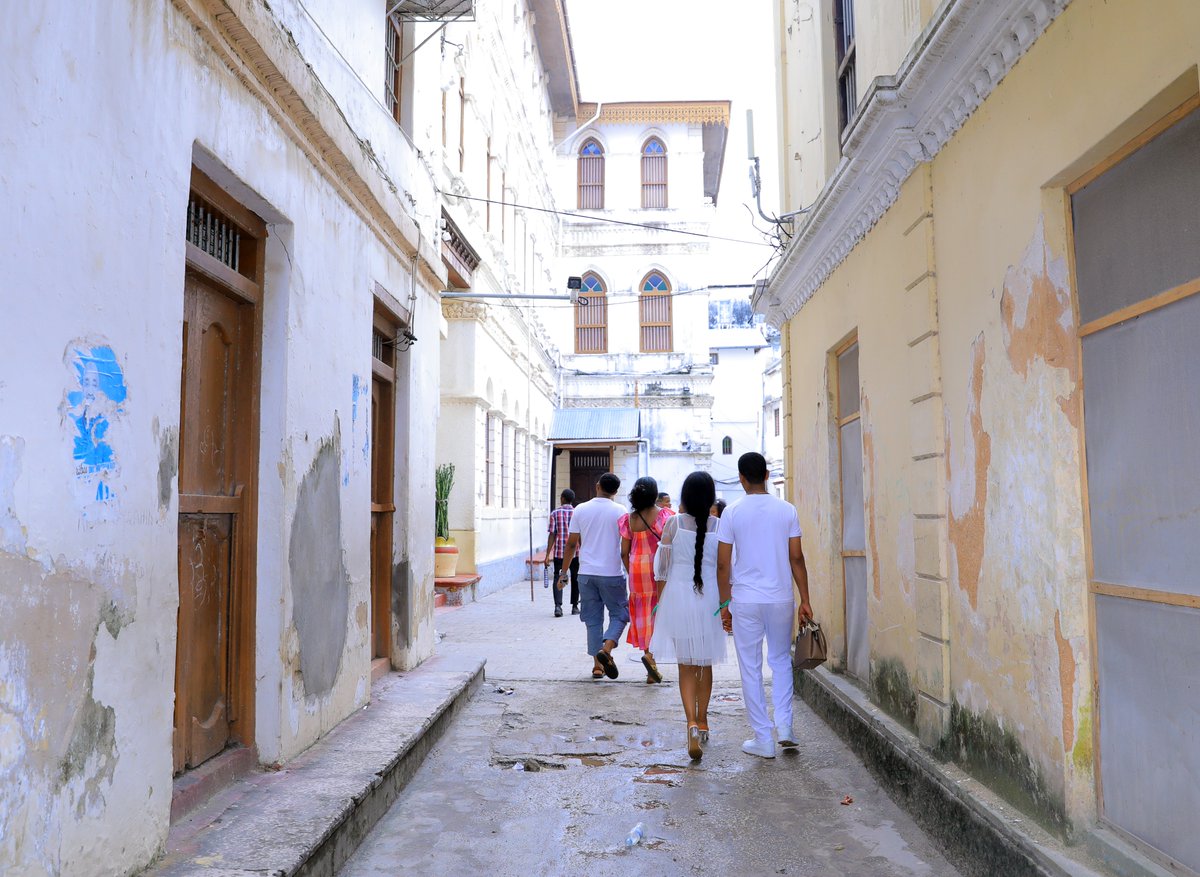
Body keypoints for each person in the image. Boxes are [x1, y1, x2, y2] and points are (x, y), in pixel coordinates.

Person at [717, 452, 813, 759]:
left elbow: (722, 565)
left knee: (750, 667)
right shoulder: (787, 510)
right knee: (781, 660)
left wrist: (724, 604)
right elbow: (796, 557)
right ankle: (785, 726)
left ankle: (763, 738)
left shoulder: (731, 513)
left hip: (745, 599)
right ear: (768, 475)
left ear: (741, 478)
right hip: (781, 598)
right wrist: (805, 600)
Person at [650, 471, 726, 761]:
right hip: (709, 601)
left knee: (685, 666)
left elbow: (662, 571)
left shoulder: (672, 524)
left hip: (678, 600)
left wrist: (661, 604)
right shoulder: (720, 525)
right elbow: (724, 568)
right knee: (704, 664)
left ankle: (690, 723)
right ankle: (704, 720)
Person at [559, 473, 628, 680]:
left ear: (597, 486)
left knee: (592, 620)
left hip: (586, 574)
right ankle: (606, 649)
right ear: (616, 492)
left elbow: (571, 544)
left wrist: (563, 574)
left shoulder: (580, 509)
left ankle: (598, 666)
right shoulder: (621, 511)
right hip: (612, 574)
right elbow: (625, 548)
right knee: (620, 614)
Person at [619, 477, 672, 684]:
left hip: (636, 570)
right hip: (657, 568)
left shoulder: (629, 519)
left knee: (642, 614)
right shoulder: (664, 515)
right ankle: (651, 658)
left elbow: (624, 552)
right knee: (658, 611)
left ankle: (648, 655)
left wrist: (631, 570)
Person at [544, 489, 579, 617]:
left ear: (563, 498)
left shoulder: (555, 513)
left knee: (560, 577)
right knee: (575, 578)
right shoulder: (577, 513)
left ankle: (558, 607)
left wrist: (547, 554)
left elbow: (552, 535)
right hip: (576, 553)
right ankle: (575, 606)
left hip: (560, 553)